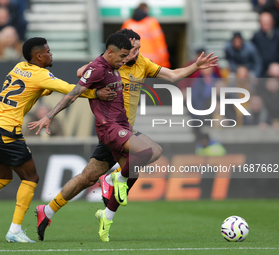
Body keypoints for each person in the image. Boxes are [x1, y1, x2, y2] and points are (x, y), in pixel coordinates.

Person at [30, 29, 218, 242]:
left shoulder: (142, 64)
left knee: (91, 177)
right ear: (120, 49)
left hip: (125, 129)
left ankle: (50, 209)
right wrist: (94, 91)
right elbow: (82, 74)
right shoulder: (110, 63)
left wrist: (195, 66)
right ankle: (111, 184)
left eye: (138, 48)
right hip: (112, 129)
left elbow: (173, 75)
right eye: (131, 49)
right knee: (134, 163)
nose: (135, 53)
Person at [0, 37, 115, 243]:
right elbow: (69, 89)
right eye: (48, 51)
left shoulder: (19, 66)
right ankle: (14, 230)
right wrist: (96, 93)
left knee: (3, 178)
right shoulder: (41, 74)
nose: (51, 54)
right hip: (6, 130)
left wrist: (45, 88)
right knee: (31, 178)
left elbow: (35, 88)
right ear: (39, 56)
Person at [121, 3, 170, 68]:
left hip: (133, 63)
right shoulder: (152, 23)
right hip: (152, 63)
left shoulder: (128, 23)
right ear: (146, 10)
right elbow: (160, 44)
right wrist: (165, 63)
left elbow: (121, 43)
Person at [252, 12, 279, 77]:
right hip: (262, 70)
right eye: (263, 21)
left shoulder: (277, 35)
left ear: (272, 22)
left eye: (267, 21)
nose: (265, 24)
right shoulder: (256, 36)